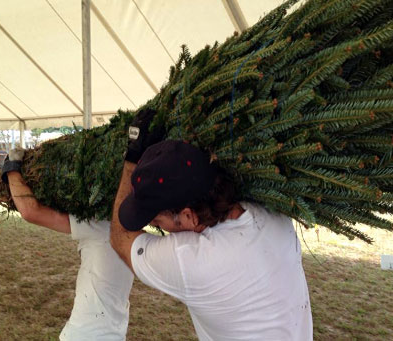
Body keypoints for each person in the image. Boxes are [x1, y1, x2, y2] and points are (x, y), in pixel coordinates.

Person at [109, 140, 313, 340]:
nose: (157, 227)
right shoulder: (273, 215)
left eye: (156, 222)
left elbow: (120, 240)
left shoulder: (192, 259)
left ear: (188, 216)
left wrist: (132, 158)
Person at [1, 148, 134, 340]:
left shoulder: (99, 225)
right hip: (114, 334)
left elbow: (32, 212)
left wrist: (12, 167)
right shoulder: (131, 228)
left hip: (84, 335)